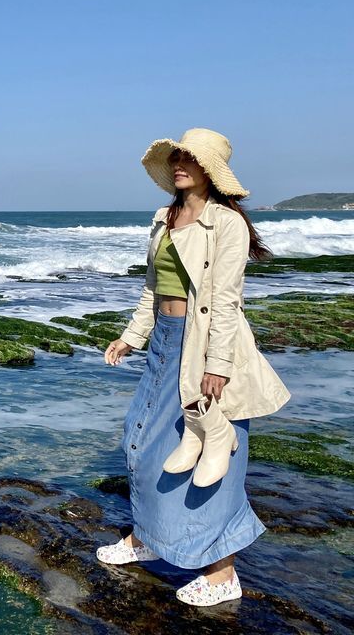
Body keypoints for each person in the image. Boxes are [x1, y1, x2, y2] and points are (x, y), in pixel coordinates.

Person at [99, 128, 290, 607]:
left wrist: (218, 365)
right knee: (142, 441)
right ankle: (148, 538)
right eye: (178, 157)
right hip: (164, 342)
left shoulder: (226, 224)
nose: (181, 164)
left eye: (192, 159)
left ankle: (222, 571)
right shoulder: (164, 218)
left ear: (211, 171)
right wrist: (131, 336)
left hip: (204, 345)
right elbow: (152, 289)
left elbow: (225, 300)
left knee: (214, 456)